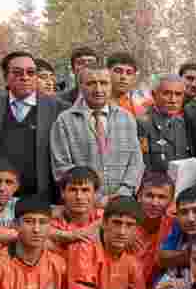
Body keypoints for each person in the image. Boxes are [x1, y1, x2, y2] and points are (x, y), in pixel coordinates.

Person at [0, 50, 69, 203]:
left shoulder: (59, 109)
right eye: (17, 72)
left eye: (31, 72)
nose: (25, 77)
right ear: (6, 78)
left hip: (43, 199)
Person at [50, 66, 145, 203]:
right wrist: (95, 198)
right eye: (91, 83)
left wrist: (124, 193)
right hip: (82, 205)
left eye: (104, 83)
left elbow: (136, 162)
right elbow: (61, 167)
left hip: (121, 203)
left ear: (111, 85)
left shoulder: (126, 117)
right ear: (80, 86)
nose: (98, 89)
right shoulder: (65, 121)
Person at [131, 171, 176, 288]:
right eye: (149, 196)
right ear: (139, 196)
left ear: (171, 201)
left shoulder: (174, 224)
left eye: (162, 197)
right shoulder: (123, 223)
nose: (154, 203)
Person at [137, 76, 191, 172]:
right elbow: (142, 167)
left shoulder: (182, 123)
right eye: (166, 93)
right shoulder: (142, 124)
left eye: (178, 94)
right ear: (154, 95)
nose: (173, 100)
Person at [106, 52, 149, 117]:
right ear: (107, 72)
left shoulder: (140, 110)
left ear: (134, 78)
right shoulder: (93, 102)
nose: (123, 76)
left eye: (129, 73)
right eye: (118, 71)